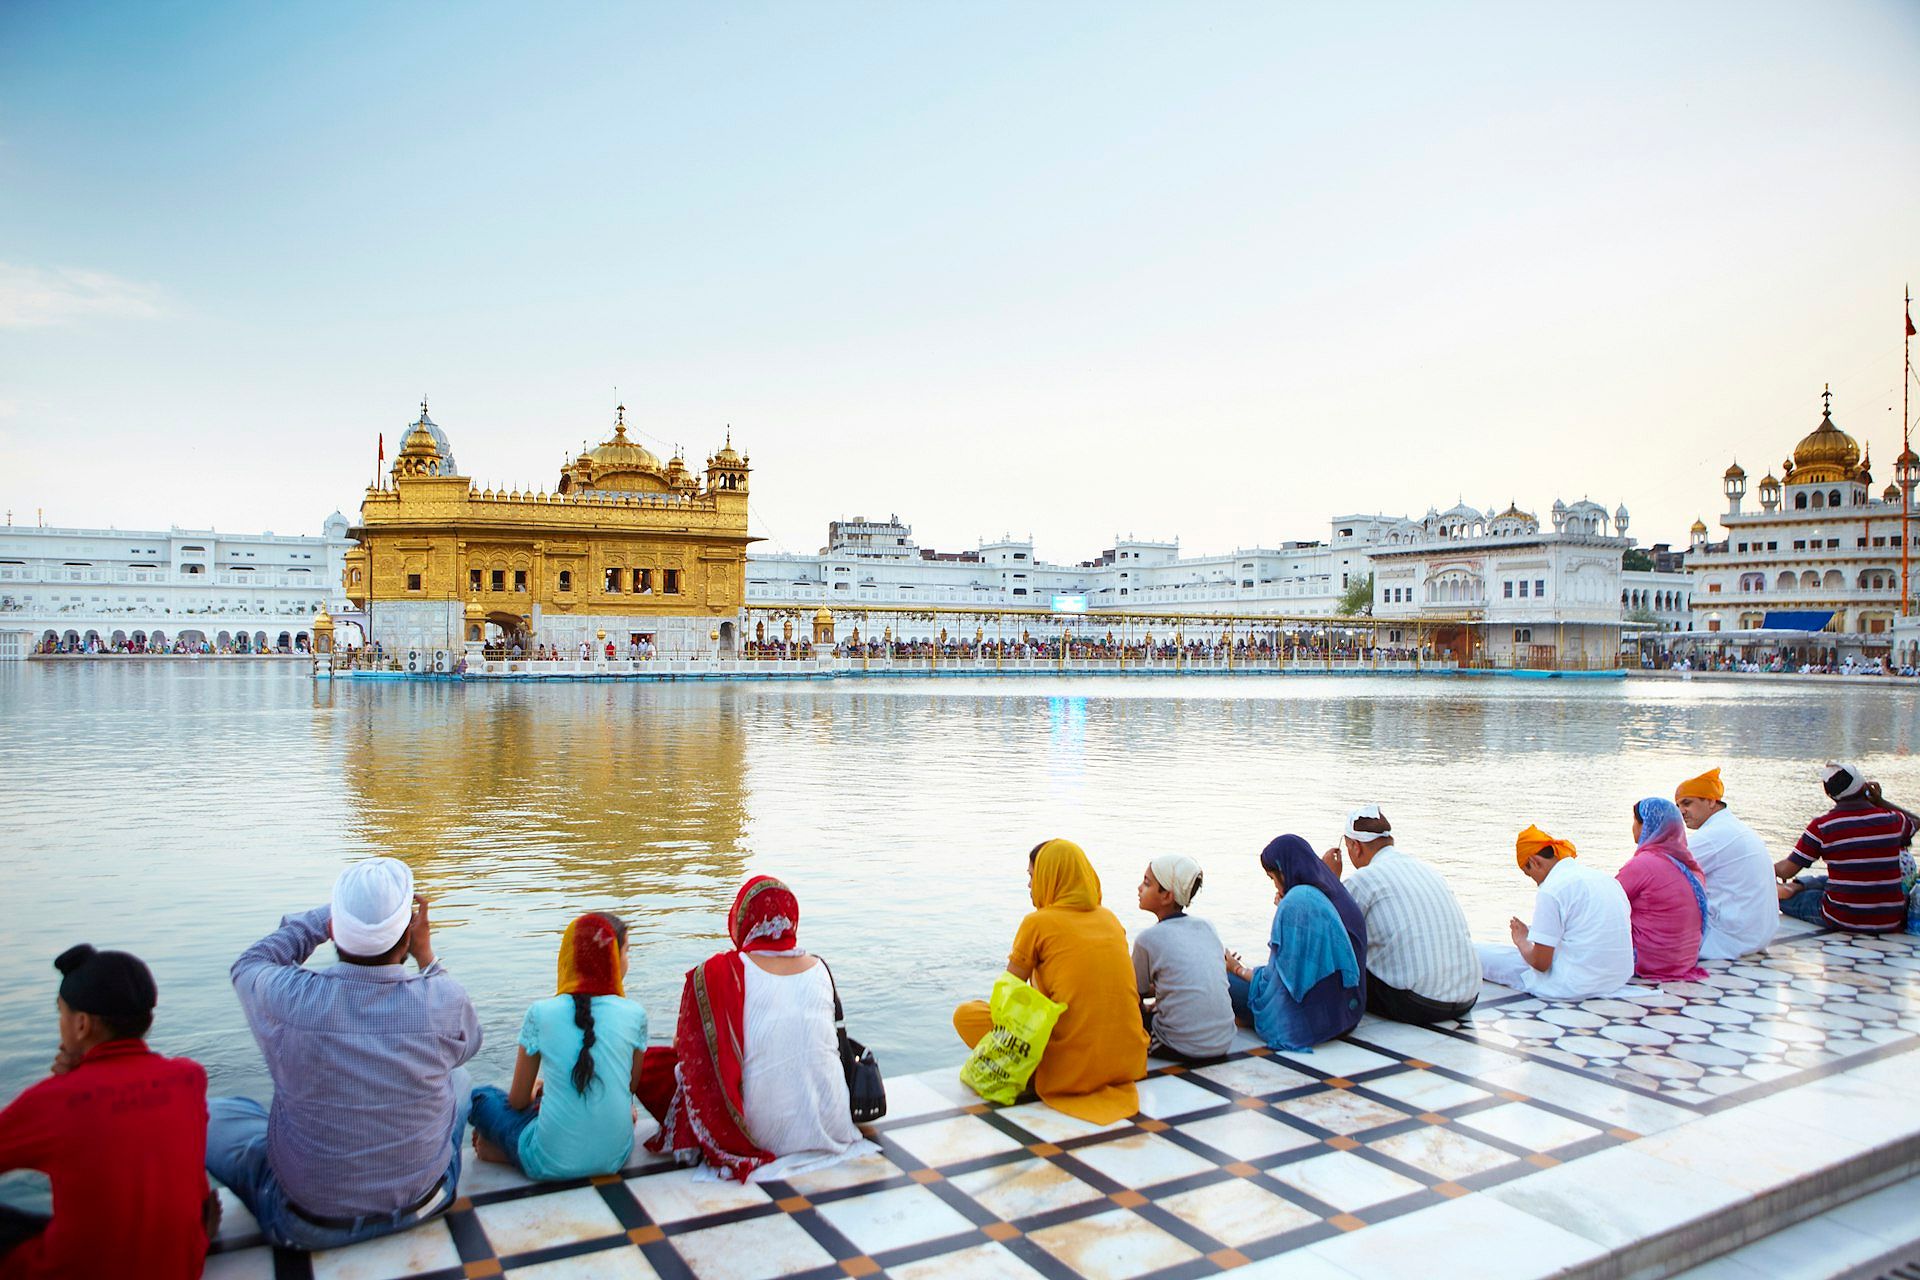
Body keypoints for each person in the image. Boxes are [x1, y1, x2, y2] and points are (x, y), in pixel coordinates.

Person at [207, 857, 482, 1251]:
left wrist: (331, 916)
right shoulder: (443, 998)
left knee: (215, 1114)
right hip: (428, 1202)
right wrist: (427, 957)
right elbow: (468, 1046)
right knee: (459, 1077)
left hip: (305, 1225)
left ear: (334, 929)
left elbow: (250, 963)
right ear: (410, 935)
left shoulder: (290, 998)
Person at [640, 876, 875, 1182]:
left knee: (655, 1064)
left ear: (741, 920)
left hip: (755, 1134)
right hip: (833, 1125)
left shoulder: (719, 971)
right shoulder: (820, 968)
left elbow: (689, 1050)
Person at [0, 946, 212, 1280]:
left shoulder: (52, 1101)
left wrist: (67, 1083)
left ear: (82, 1024)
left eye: (61, 1014)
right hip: (182, 1267)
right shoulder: (189, 1077)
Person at [953, 840, 1148, 1123]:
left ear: (1050, 878)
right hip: (1129, 1061)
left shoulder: (1037, 923)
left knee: (966, 1015)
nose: (1030, 886)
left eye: (1033, 877)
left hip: (1067, 1070)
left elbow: (1007, 1000)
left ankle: (1039, 1073)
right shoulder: (1110, 919)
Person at [470, 913, 648, 1180]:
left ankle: (504, 1152)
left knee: (480, 1097)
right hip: (616, 1156)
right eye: (626, 952)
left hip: (547, 1161)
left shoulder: (541, 1013)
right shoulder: (635, 1014)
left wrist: (534, 1090)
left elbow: (517, 1101)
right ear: (612, 959)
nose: (627, 961)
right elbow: (630, 1086)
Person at [1322, 805, 1478, 1025]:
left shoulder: (1363, 879)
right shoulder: (1427, 870)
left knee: (1340, 965)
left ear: (1356, 847)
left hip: (1417, 1004)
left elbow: (1326, 931)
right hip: (1468, 996)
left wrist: (1328, 881)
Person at [1223, 835, 1367, 1051]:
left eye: (1273, 877)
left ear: (1284, 871)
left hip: (1309, 1018)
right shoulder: (1327, 892)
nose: (1275, 884)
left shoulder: (1296, 904)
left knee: (1220, 980)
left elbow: (1282, 980)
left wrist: (1237, 969)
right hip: (1346, 1012)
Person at [1478, 827, 1634, 999]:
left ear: (1535, 861)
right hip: (1616, 980)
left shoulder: (1552, 889)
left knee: (1476, 953)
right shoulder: (1604, 879)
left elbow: (1540, 963)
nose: (1535, 882)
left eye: (1529, 874)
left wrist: (1521, 940)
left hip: (1574, 985)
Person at [1778, 763, 1920, 933]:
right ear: (1864, 787)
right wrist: (1881, 802)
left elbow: (1786, 871)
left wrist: (1761, 867)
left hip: (1843, 918)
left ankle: (1790, 889)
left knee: (1782, 898)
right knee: (1828, 880)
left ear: (1829, 794)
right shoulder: (1893, 820)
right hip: (1890, 919)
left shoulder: (1823, 826)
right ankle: (1797, 886)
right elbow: (1916, 822)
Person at [1131, 855, 1235, 1061]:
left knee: (1123, 1012)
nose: (1139, 888)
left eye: (1146, 883)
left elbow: (1134, 994)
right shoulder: (1207, 926)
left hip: (1182, 1046)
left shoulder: (1147, 939)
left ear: (1167, 896)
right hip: (1224, 1041)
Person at [1675, 768, 1779, 959]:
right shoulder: (1732, 827)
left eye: (1687, 803)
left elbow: (1663, 876)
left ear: (1711, 801)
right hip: (1757, 936)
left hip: (1729, 938)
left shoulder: (1713, 835)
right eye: (1679, 805)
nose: (1681, 811)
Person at [1617, 798, 1709, 982]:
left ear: (1646, 826)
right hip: (1684, 961)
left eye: (1635, 822)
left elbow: (1606, 900)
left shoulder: (1643, 864)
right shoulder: (1688, 864)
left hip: (1651, 961)